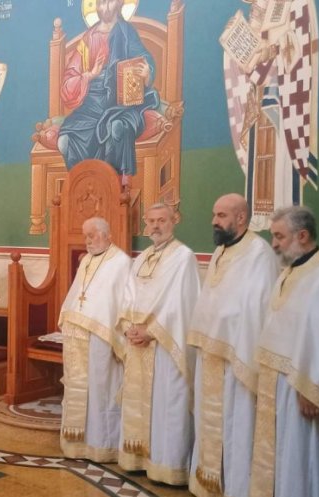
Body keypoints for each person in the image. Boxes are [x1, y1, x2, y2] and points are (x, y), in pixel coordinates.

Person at [250, 206, 319, 497]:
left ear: (302, 235)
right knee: (284, 458)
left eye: (279, 236)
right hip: (280, 384)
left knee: (304, 460)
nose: (274, 244)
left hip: (307, 390)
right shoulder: (289, 271)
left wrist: (313, 386)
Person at [188, 193, 279, 497]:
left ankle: (236, 487)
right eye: (214, 215)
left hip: (237, 355)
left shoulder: (258, 253)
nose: (214, 221)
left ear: (241, 218)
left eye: (221, 215)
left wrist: (228, 336)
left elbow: (257, 308)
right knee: (210, 421)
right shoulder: (221, 250)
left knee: (237, 424)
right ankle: (208, 481)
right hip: (211, 352)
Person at [119, 203, 199, 484]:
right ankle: (138, 458)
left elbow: (182, 303)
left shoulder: (183, 256)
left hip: (165, 344)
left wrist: (150, 331)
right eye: (151, 220)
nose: (155, 225)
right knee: (139, 401)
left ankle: (167, 465)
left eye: (162, 220)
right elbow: (127, 294)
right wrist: (129, 326)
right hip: (137, 342)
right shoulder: (141, 258)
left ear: (173, 221)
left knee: (167, 404)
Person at [224, 0, 319, 230]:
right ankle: (259, 213)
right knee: (260, 152)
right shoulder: (258, 11)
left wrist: (272, 50)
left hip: (283, 92)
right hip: (259, 94)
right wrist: (236, 40)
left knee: (282, 149)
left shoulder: (294, 4)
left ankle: (284, 211)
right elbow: (249, 55)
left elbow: (299, 41)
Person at [57, 0, 159, 177]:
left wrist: (146, 72)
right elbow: (68, 81)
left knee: (117, 127)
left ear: (119, 4)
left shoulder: (126, 33)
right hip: (91, 105)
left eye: (109, 1)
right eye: (100, 2)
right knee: (65, 140)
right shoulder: (88, 39)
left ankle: (116, 185)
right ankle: (83, 184)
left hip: (121, 102)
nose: (104, 7)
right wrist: (90, 75)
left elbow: (144, 58)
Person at [59, 217, 131, 462]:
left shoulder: (121, 262)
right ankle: (77, 443)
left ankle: (102, 445)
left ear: (107, 235)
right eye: (85, 236)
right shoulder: (87, 261)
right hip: (78, 335)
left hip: (102, 336)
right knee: (78, 387)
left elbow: (124, 300)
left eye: (92, 235)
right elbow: (77, 295)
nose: (88, 240)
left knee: (101, 389)